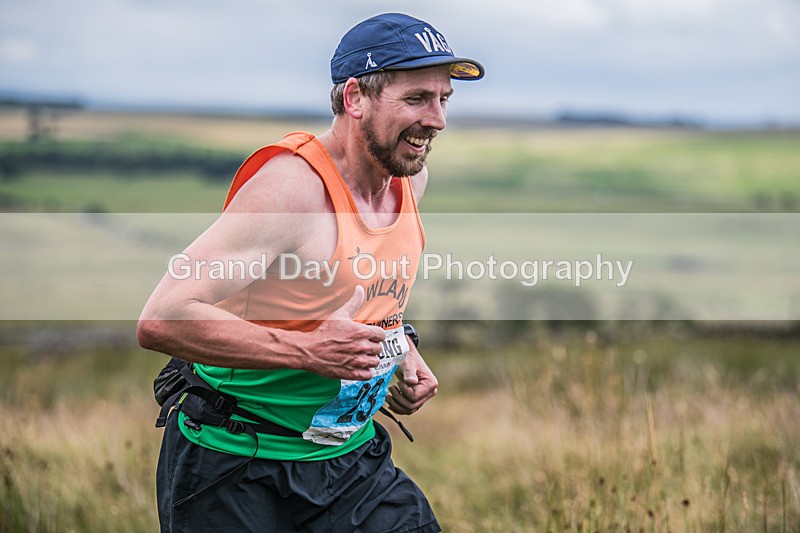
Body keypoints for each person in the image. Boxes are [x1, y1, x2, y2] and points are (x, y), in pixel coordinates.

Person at [138, 12, 483, 533]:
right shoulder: (292, 190)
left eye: (443, 100)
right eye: (417, 99)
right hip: (236, 461)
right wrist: (307, 352)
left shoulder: (410, 180)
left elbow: (360, 291)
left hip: (347, 460)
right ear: (355, 98)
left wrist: (399, 349)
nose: (436, 119)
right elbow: (162, 319)